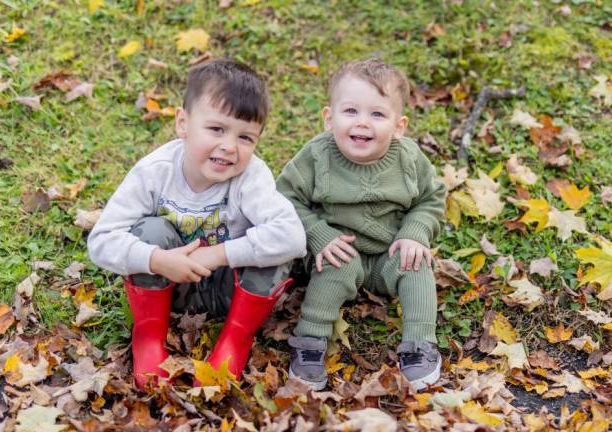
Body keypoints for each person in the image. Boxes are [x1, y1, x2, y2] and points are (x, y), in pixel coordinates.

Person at [88, 59, 306, 390]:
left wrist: (218, 254)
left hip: (230, 292)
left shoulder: (251, 177)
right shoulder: (155, 172)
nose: (230, 147)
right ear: (183, 123)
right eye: (216, 129)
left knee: (274, 246)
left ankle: (235, 338)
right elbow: (101, 241)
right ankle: (149, 336)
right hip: (170, 287)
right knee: (151, 231)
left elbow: (292, 236)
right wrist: (157, 260)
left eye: (245, 137)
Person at [276, 58, 446, 391]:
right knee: (338, 265)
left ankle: (421, 343)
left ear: (399, 126)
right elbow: (284, 199)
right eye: (351, 111)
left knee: (417, 264)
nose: (362, 123)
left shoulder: (409, 159)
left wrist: (416, 233)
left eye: (377, 114)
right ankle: (310, 342)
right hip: (336, 250)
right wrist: (318, 234)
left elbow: (432, 198)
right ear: (329, 117)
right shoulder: (316, 157)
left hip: (389, 254)